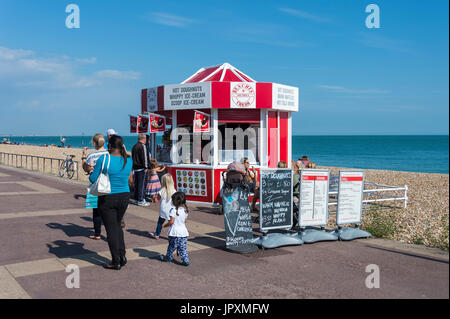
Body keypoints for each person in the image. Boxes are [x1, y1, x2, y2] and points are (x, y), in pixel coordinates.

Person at [89, 135, 133, 270]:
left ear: (109, 146)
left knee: (111, 230)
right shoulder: (128, 160)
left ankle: (116, 261)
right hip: (124, 196)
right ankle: (122, 256)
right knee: (118, 225)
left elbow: (93, 178)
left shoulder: (104, 159)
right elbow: (130, 179)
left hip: (108, 196)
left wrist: (91, 169)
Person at [81, 133, 108, 240]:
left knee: (96, 211)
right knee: (107, 210)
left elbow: (86, 168)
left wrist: (83, 155)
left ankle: (97, 234)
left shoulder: (91, 155)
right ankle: (110, 233)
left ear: (94, 143)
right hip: (107, 184)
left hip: (95, 185)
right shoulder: (109, 154)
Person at [159, 191, 190, 266]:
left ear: (175, 202)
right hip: (183, 233)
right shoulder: (185, 210)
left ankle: (168, 257)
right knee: (183, 247)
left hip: (174, 233)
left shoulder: (173, 210)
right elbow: (185, 220)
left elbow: (171, 222)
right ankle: (185, 260)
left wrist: (164, 225)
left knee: (171, 246)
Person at [149, 173, 175, 239]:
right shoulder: (174, 191)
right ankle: (172, 236)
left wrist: (154, 198)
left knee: (160, 223)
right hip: (171, 210)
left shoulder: (162, 190)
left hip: (163, 210)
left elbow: (156, 200)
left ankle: (157, 234)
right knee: (172, 224)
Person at [132, 133, 150, 207]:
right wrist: (146, 167)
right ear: (144, 139)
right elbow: (144, 158)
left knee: (137, 184)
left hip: (136, 168)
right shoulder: (143, 146)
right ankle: (141, 200)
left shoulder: (134, 146)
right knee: (142, 184)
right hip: (141, 168)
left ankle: (136, 199)